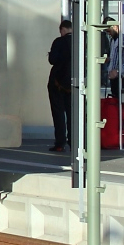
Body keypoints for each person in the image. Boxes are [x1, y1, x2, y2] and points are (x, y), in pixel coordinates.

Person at [47, 19, 72, 152]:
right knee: (72, 113)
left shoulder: (59, 41)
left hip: (57, 83)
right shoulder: (80, 42)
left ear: (63, 29)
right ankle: (74, 141)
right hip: (73, 84)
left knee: (58, 113)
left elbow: (53, 60)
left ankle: (60, 143)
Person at [103, 16, 124, 102]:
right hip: (114, 77)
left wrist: (118, 70)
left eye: (109, 31)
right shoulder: (113, 40)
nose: (108, 34)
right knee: (115, 102)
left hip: (123, 77)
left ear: (115, 27)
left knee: (122, 102)